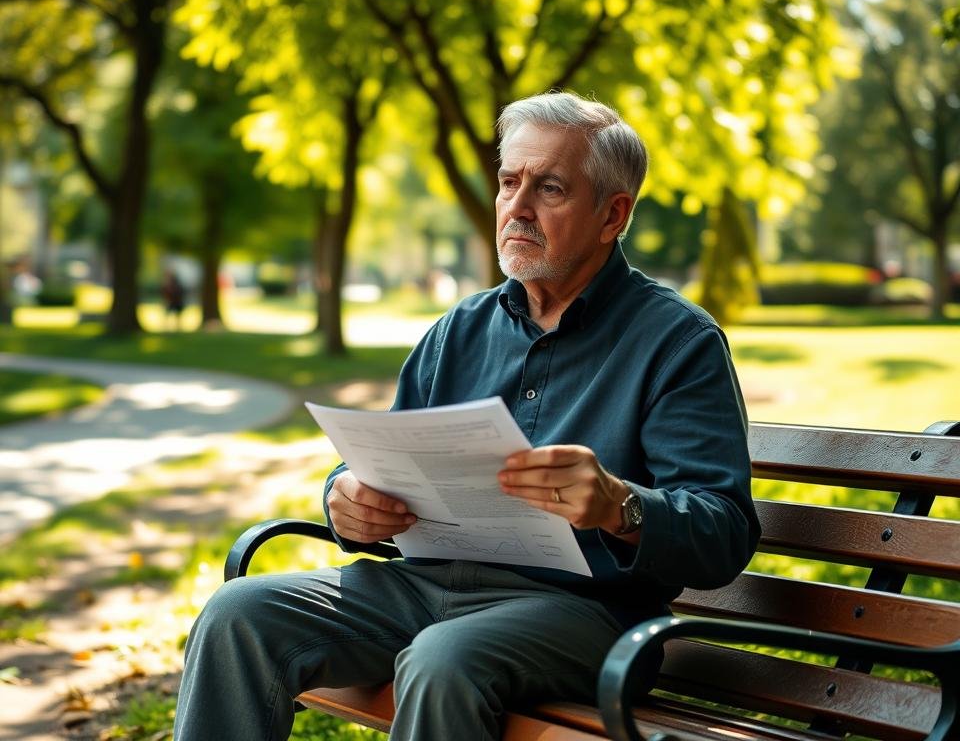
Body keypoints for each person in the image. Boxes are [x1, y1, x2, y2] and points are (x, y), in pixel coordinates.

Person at [173, 91, 760, 741]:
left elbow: (724, 532)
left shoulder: (677, 342)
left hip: (581, 614)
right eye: (510, 182)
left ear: (611, 215)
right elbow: (379, 460)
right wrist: (346, 499)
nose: (518, 207)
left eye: (551, 188)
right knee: (239, 612)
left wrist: (622, 506)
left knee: (442, 660)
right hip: (418, 589)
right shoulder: (459, 329)